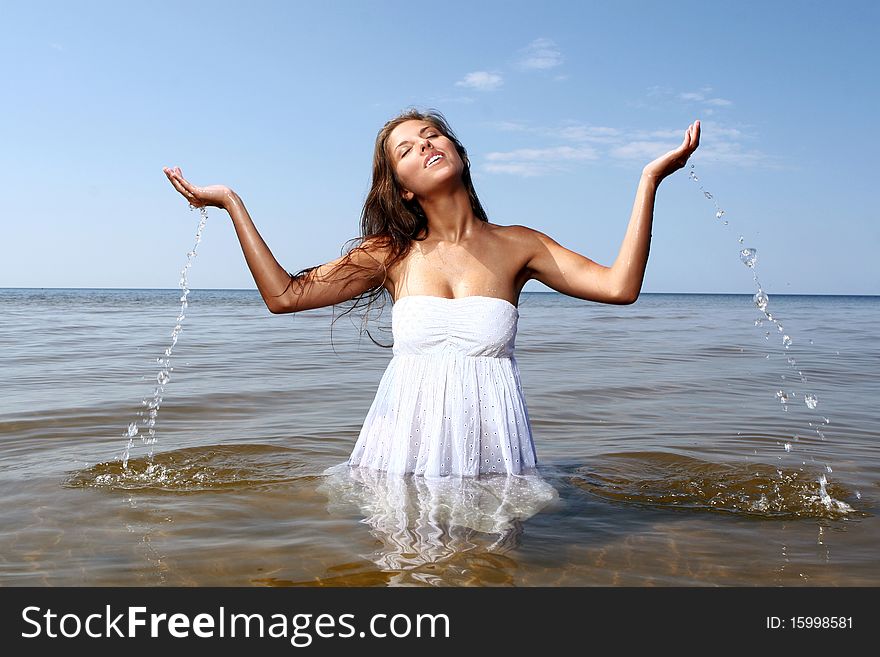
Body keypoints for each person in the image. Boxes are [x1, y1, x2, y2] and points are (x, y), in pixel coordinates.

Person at [163, 108, 700, 478]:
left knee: (492, 574)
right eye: (407, 148)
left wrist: (649, 181)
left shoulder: (520, 246)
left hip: (493, 449)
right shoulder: (389, 253)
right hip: (401, 450)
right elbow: (284, 296)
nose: (425, 145)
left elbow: (619, 286)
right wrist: (232, 203)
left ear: (456, 150)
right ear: (402, 186)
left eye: (432, 136)